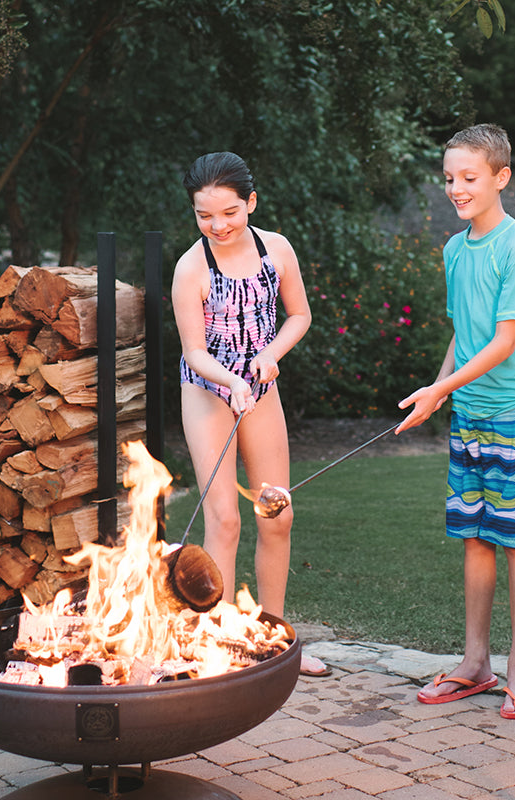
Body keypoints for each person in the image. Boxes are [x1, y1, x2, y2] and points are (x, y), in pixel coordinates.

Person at [396, 124, 515, 720]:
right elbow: (467, 333)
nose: (457, 189)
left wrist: (439, 388)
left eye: (469, 178)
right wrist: (437, 395)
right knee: (476, 536)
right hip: (469, 413)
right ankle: (476, 661)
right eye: (450, 179)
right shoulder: (455, 250)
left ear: (500, 177)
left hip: (514, 411)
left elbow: (505, 343)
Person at [171, 151, 329, 677]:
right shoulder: (191, 267)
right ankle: (215, 648)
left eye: (229, 212)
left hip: (260, 389)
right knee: (225, 519)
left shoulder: (276, 249)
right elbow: (195, 352)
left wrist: (269, 356)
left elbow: (300, 315)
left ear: (251, 203)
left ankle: (273, 641)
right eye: (204, 215)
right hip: (207, 392)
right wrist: (233, 378)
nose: (217, 225)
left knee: (277, 514)